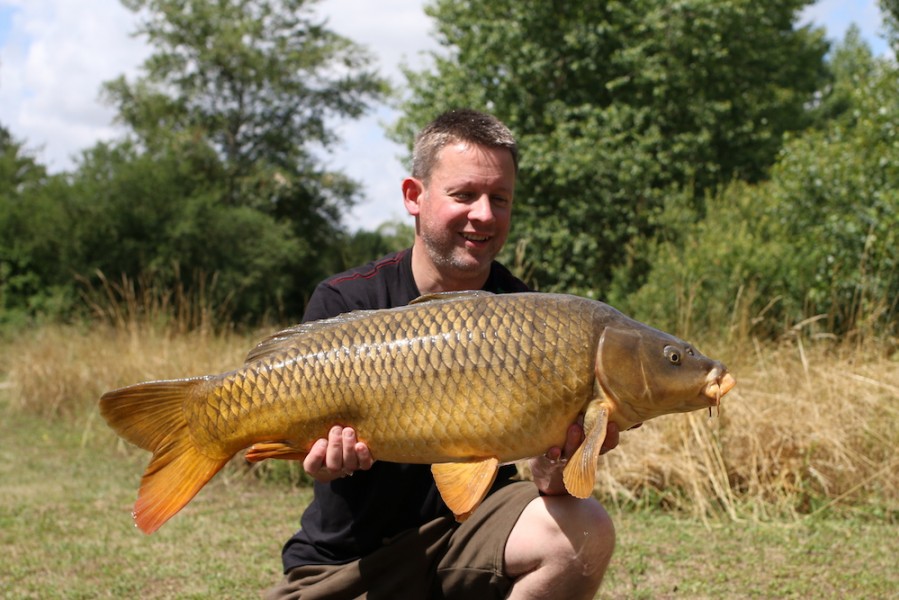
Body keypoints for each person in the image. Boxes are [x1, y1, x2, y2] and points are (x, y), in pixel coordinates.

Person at [265, 109, 618, 600]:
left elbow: (548, 484)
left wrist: (561, 459)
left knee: (584, 528)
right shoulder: (347, 300)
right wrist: (320, 457)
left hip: (468, 540)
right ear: (415, 196)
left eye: (500, 199)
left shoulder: (529, 315)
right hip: (351, 563)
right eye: (464, 194)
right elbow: (310, 449)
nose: (485, 215)